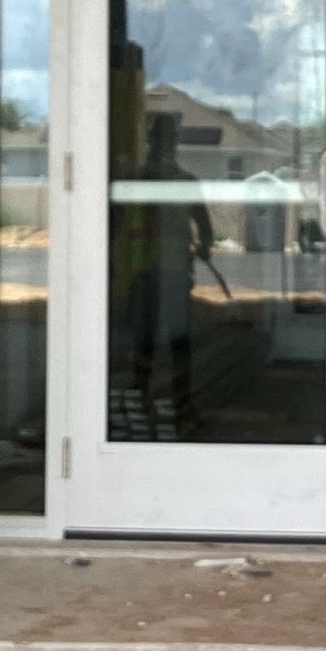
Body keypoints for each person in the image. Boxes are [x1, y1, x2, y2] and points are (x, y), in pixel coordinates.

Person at [118, 111, 212, 433]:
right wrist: (204, 246)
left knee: (160, 342)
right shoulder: (179, 181)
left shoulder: (141, 182)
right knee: (166, 343)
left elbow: (205, 229)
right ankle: (168, 406)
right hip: (157, 274)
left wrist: (203, 244)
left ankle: (164, 405)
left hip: (158, 274)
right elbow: (206, 231)